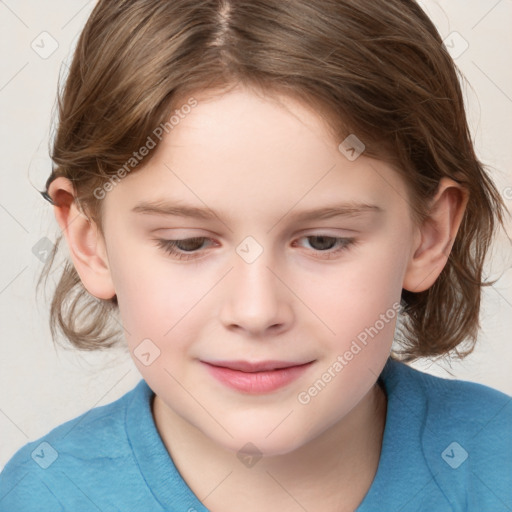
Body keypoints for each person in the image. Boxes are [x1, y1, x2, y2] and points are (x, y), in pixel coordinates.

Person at [1, 0, 510, 510]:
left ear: (429, 233)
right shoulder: (42, 494)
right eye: (188, 243)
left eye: (323, 241)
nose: (256, 311)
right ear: (91, 242)